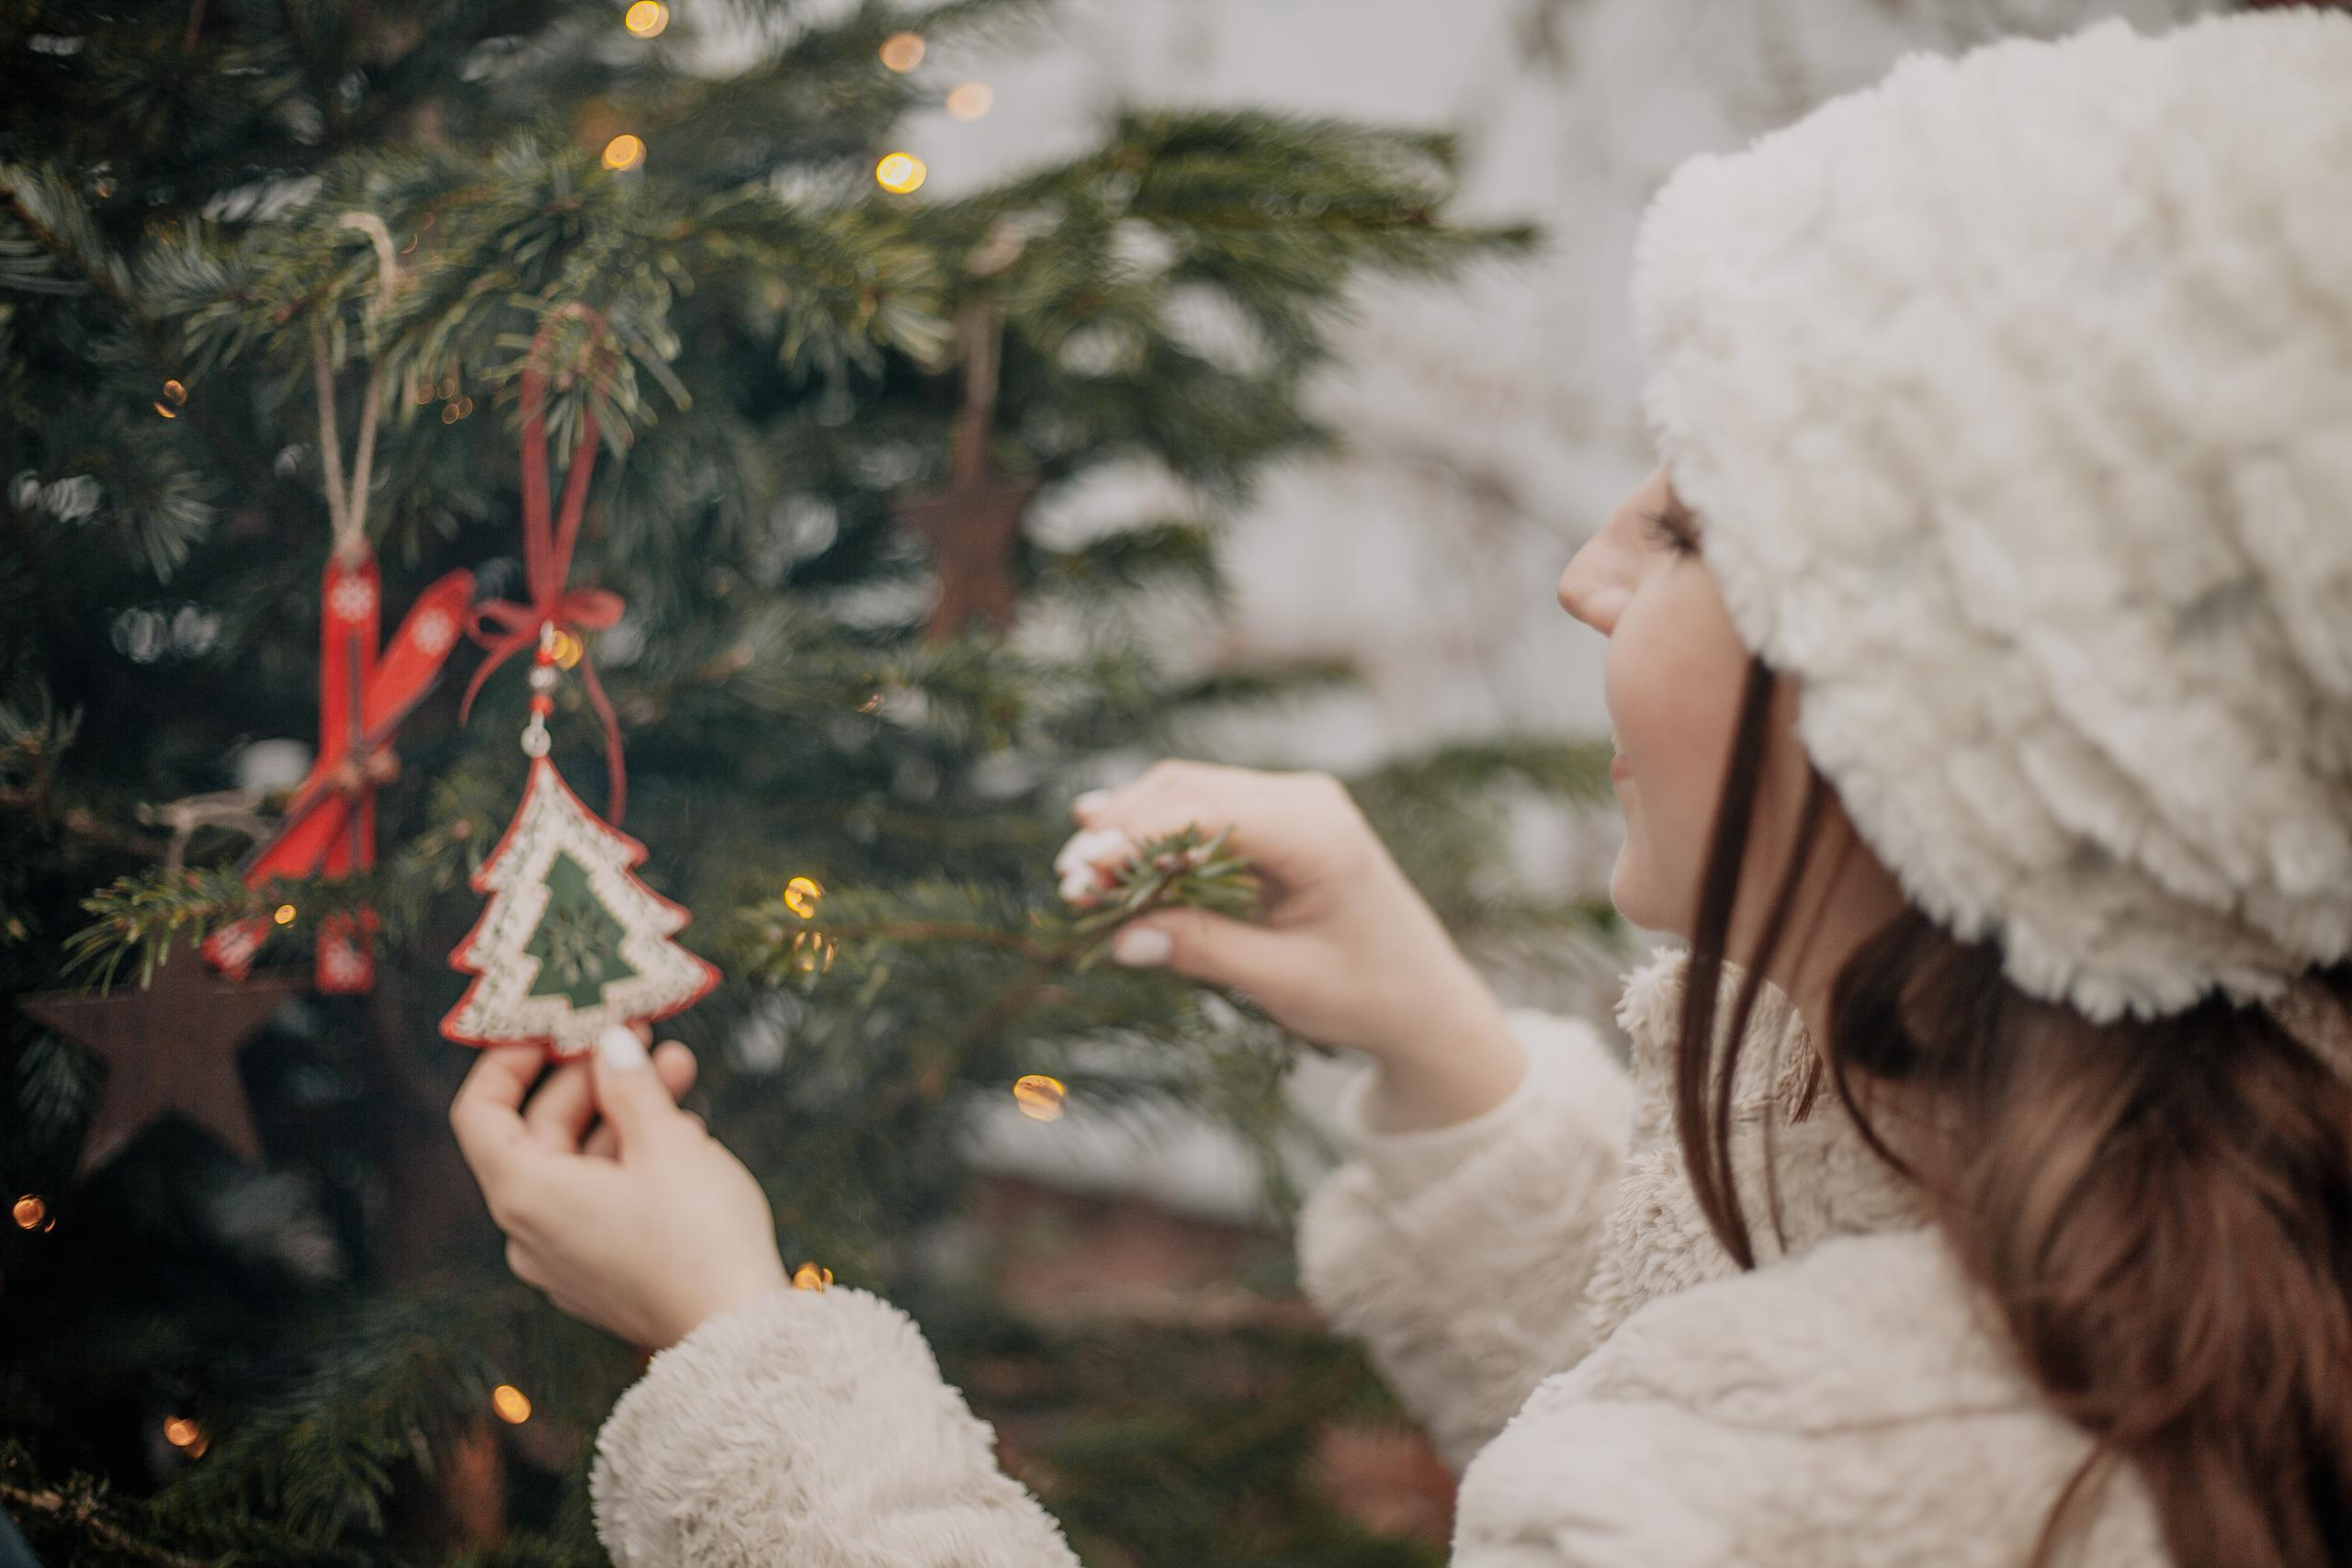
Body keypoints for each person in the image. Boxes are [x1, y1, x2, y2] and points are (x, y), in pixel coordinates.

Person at [448, 10, 2352, 1565]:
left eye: (1683, 522)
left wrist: (738, 1355)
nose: (1585, 573)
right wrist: (1435, 1037)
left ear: (1951, 696)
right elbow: (1748, 1337)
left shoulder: (1740, 1511)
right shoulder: (2170, 1225)